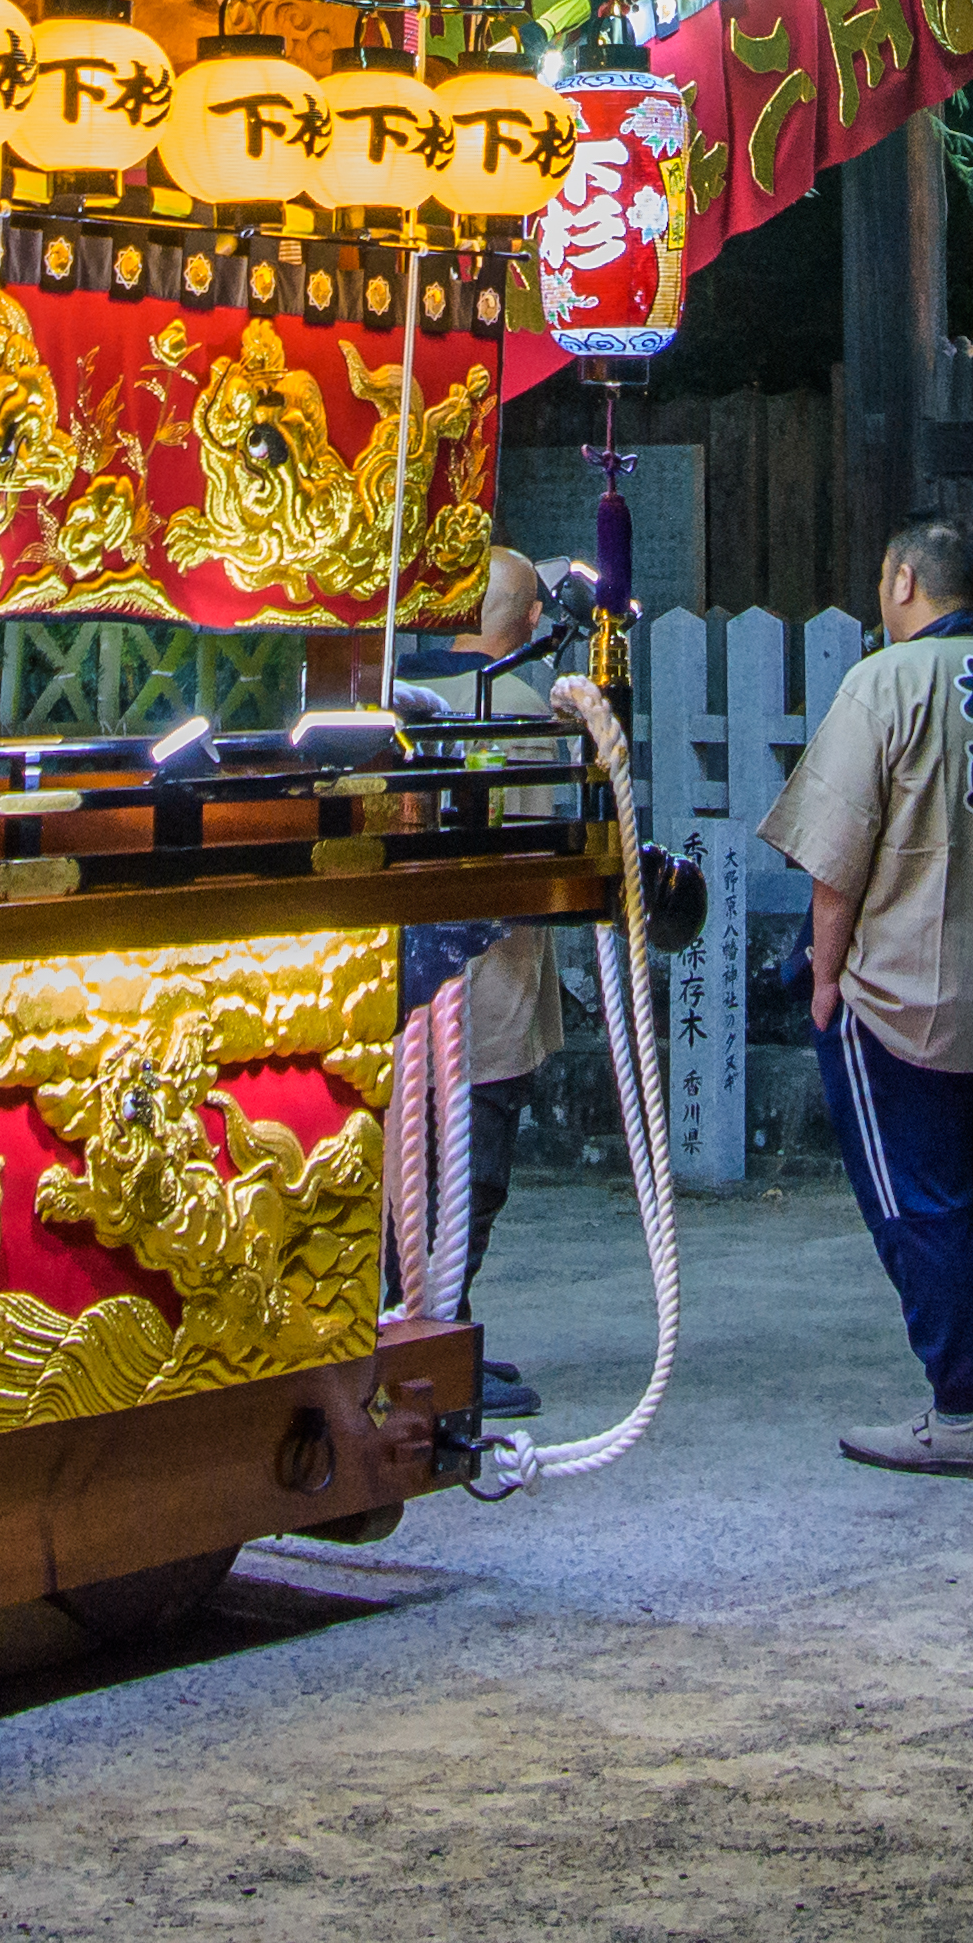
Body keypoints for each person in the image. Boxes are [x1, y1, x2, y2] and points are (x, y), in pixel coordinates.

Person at [776, 516, 973, 1479]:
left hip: (899, 989)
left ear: (905, 579)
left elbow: (834, 862)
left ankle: (955, 1408)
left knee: (923, 1201)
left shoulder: (884, 683)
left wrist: (824, 983)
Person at [389, 551, 575, 1419]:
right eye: (537, 611)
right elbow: (542, 852)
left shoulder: (401, 700)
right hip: (486, 984)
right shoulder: (524, 708)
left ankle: (444, 1331)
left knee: (410, 1168)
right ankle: (431, 1351)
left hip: (401, 981)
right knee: (471, 1174)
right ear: (527, 621)